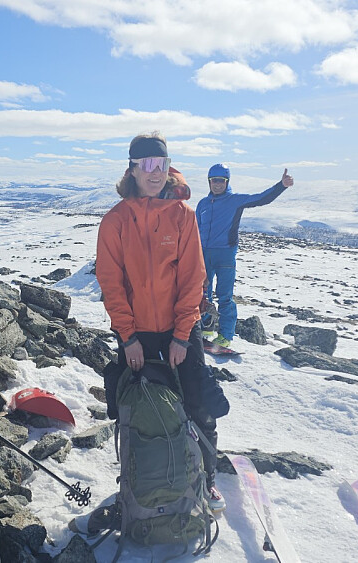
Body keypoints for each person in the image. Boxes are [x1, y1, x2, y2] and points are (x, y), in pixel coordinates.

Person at [96, 132, 225, 512]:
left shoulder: (183, 216)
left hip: (179, 329)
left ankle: (206, 479)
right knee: (133, 407)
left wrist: (182, 337)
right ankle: (136, 480)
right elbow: (111, 283)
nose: (155, 172)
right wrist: (128, 337)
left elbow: (192, 279)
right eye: (148, 164)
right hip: (136, 333)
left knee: (198, 405)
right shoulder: (115, 221)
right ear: (132, 169)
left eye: (162, 164)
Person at [196, 164, 293, 348]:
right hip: (203, 255)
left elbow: (261, 198)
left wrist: (281, 186)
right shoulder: (202, 204)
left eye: (221, 180)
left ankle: (225, 336)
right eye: (214, 180)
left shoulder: (235, 200)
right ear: (209, 182)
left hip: (225, 255)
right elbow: (195, 229)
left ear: (227, 181)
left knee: (224, 296)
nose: (217, 184)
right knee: (201, 293)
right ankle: (206, 327)